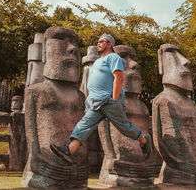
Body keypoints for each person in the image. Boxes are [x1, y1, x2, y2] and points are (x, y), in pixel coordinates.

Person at [50, 34, 151, 164]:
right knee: (84, 124)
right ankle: (69, 150)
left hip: (108, 100)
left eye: (102, 41)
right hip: (96, 102)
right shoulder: (98, 61)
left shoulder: (114, 58)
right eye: (98, 41)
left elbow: (118, 77)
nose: (99, 43)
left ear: (109, 44)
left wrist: (114, 98)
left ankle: (143, 141)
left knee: (123, 126)